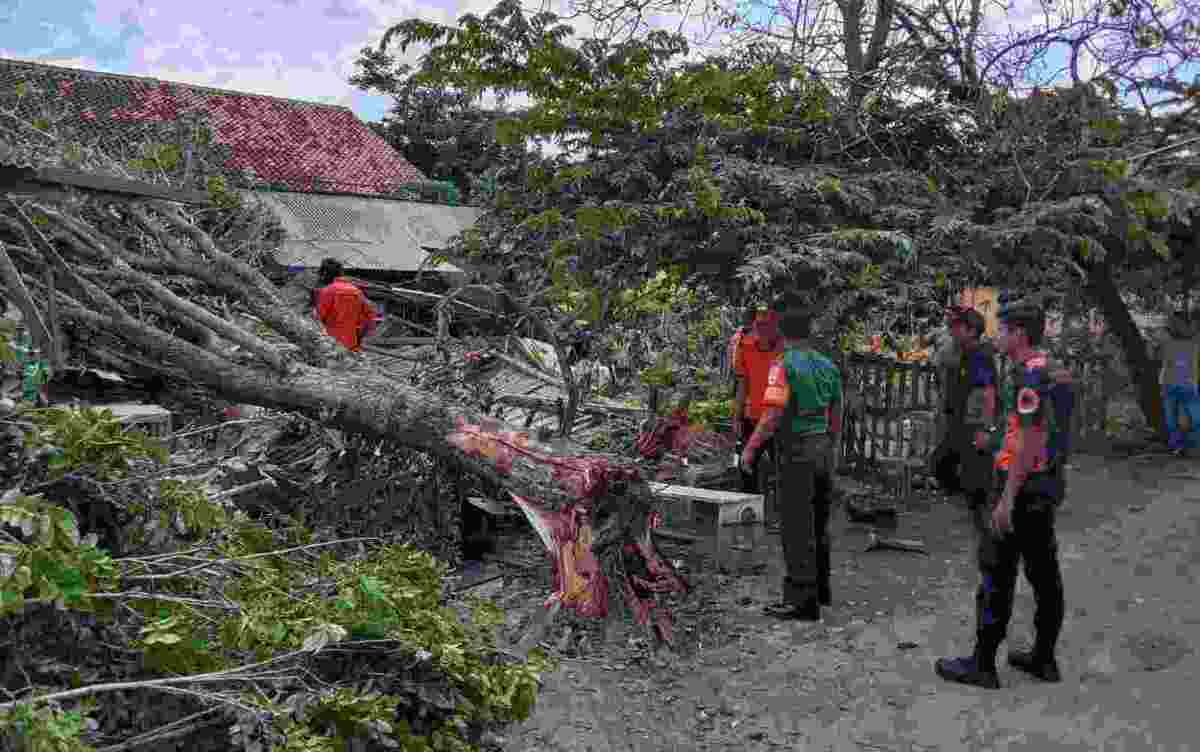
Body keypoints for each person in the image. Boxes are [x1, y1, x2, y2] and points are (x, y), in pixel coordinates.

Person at [935, 296, 1074, 689]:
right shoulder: (1057, 371)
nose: (996, 335)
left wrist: (1007, 498)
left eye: (1003, 328)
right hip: (1046, 484)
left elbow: (1030, 440)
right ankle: (1044, 659)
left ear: (1019, 333)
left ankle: (982, 664)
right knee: (1045, 572)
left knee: (996, 572)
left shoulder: (1029, 375)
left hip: (1022, 486)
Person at [741, 302, 842, 621]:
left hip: (796, 450)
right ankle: (821, 589)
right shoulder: (828, 365)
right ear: (809, 331)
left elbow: (772, 415)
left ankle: (801, 600)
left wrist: (750, 449)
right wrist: (830, 444)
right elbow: (837, 412)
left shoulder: (782, 365)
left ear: (783, 332)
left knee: (797, 527)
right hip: (822, 447)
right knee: (818, 521)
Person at [931, 307, 998, 513]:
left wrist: (985, 427)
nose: (952, 330)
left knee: (974, 476)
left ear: (971, 331)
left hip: (974, 423)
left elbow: (987, 392)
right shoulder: (966, 353)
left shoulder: (979, 355)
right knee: (942, 464)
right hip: (960, 422)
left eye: (957, 327)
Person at [733, 305, 784, 496]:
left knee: (783, 473)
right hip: (752, 418)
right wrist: (736, 417)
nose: (763, 330)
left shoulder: (784, 348)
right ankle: (749, 509)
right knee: (746, 470)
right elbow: (742, 383)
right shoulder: (744, 345)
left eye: (769, 326)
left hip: (780, 421)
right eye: (759, 326)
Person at [1155, 312, 1199, 452]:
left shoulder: (1193, 340)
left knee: (1193, 417)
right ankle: (1178, 446)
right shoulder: (1168, 341)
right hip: (1171, 384)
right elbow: (1165, 363)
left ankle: (1190, 445)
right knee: (1173, 420)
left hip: (1186, 384)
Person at [313, 258, 378, 352]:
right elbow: (370, 317)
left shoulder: (327, 291)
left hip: (331, 346)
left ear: (324, 274)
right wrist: (359, 336)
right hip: (352, 345)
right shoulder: (356, 291)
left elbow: (317, 319)